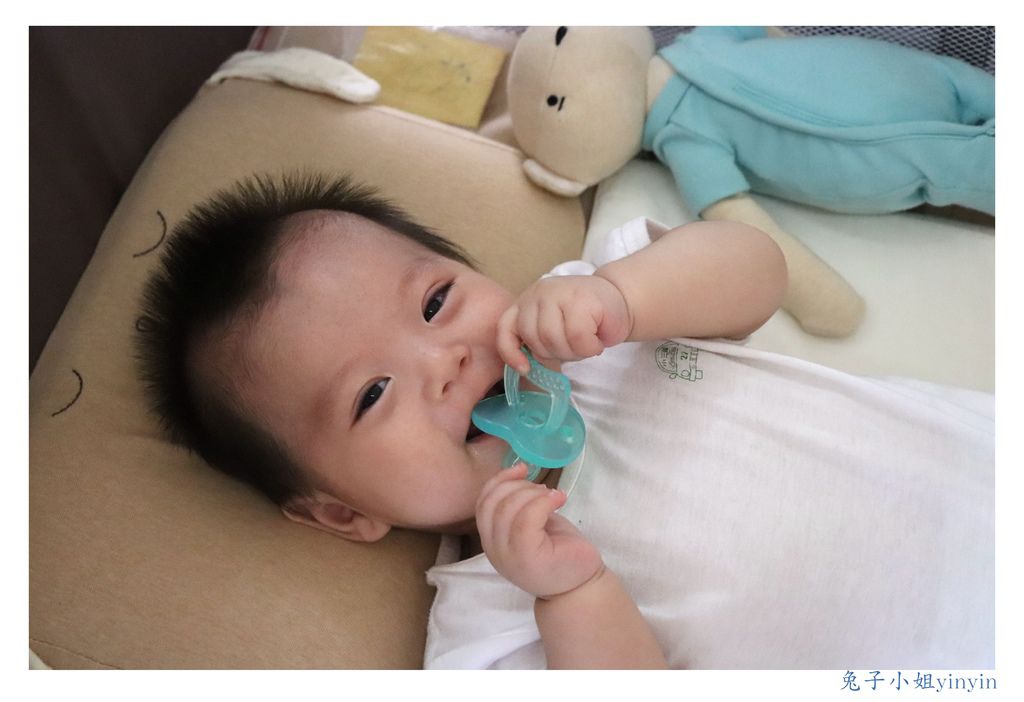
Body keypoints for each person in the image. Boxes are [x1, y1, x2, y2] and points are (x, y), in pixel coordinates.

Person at [136, 172, 994, 670]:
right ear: (341, 511)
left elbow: (757, 271)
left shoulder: (596, 318)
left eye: (435, 302)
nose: (445, 362)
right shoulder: (490, 618)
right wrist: (576, 595)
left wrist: (626, 297)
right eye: (371, 394)